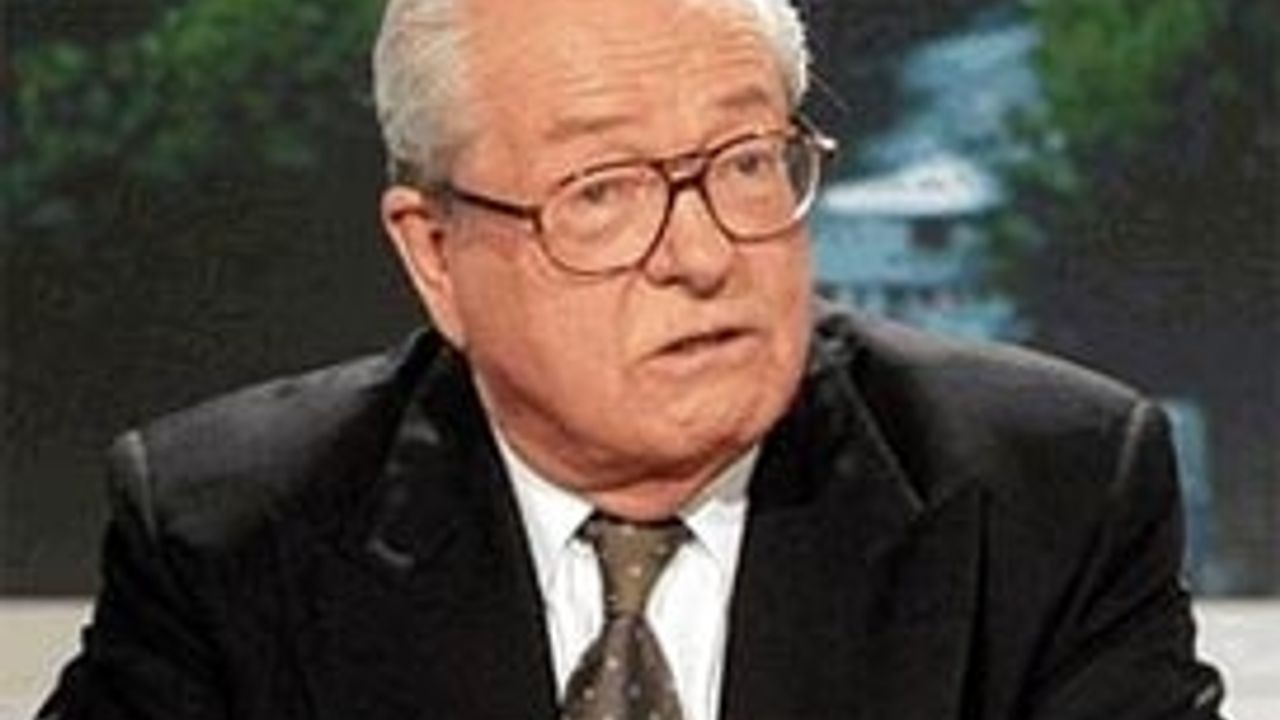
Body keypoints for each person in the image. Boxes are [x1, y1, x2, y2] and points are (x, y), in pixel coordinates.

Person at [39, 0, 1227, 718]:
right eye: (600, 192)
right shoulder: (232, 536)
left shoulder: (1048, 494)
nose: (702, 256)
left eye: (745, 164)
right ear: (436, 255)